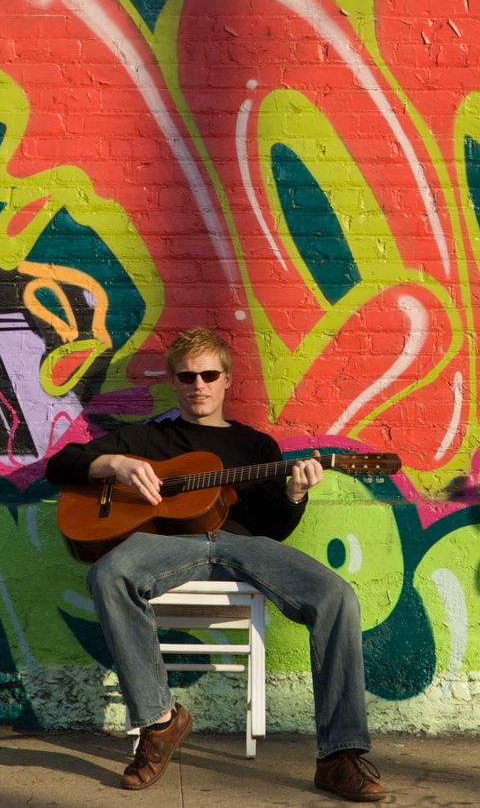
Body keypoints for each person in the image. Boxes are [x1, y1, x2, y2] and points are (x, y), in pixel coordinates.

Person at [46, 327, 388, 802]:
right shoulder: (148, 437)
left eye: (209, 375)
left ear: (227, 380)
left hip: (242, 545)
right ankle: (160, 722)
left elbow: (274, 529)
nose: (199, 385)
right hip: (165, 546)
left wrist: (295, 493)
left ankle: (338, 757)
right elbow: (60, 464)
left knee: (336, 596)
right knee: (108, 573)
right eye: (187, 377)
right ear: (173, 382)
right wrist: (115, 465)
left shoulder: (257, 448)